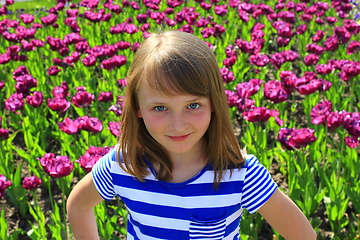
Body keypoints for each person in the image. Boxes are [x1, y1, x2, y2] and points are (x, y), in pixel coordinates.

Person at [66, 30, 316, 240]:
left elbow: (303, 235)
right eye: (160, 108)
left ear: (214, 103)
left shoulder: (239, 173)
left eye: (193, 105)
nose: (178, 125)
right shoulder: (124, 165)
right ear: (138, 108)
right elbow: (78, 205)